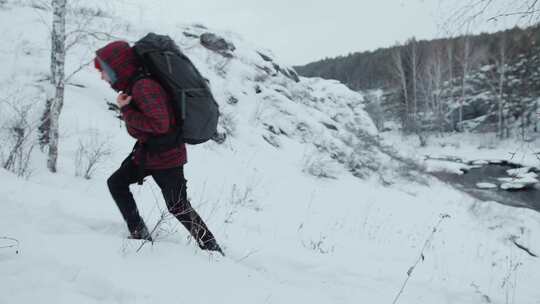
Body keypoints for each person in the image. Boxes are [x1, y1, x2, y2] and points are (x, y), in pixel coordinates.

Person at [95, 40, 223, 255]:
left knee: (178, 206)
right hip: (149, 153)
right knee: (117, 183)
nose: (102, 76)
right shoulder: (135, 84)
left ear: (116, 67)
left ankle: (212, 249)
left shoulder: (144, 86)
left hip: (167, 158)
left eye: (104, 70)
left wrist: (126, 111)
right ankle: (139, 232)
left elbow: (160, 124)